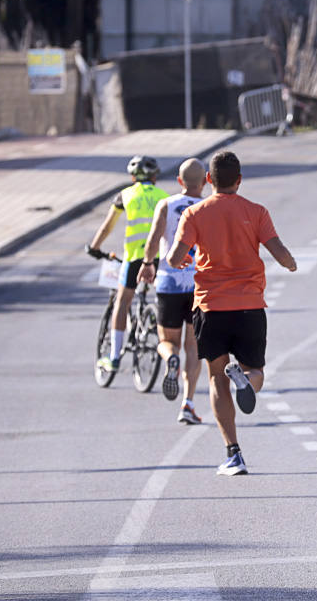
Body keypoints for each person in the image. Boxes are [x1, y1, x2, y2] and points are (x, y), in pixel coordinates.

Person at [166, 151, 298, 476]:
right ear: (239, 180)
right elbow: (279, 251)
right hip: (250, 306)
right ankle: (247, 381)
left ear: (209, 179)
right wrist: (290, 263)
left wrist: (181, 260)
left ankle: (233, 454)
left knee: (215, 379)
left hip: (211, 307)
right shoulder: (256, 211)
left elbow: (174, 258)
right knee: (258, 372)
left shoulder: (195, 213)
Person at [137, 158, 207, 425]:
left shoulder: (166, 204)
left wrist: (147, 264)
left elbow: (154, 238)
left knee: (167, 342)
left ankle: (170, 360)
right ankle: (187, 404)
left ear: (179, 182)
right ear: (204, 182)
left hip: (168, 281)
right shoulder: (206, 207)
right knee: (194, 346)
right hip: (198, 284)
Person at [87, 155, 169, 373]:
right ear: (154, 176)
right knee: (163, 299)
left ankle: (113, 357)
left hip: (134, 257)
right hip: (158, 257)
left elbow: (106, 227)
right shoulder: (164, 197)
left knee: (122, 303)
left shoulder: (125, 195)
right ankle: (168, 346)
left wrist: (94, 248)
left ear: (133, 177)